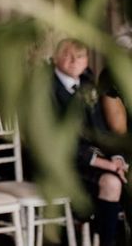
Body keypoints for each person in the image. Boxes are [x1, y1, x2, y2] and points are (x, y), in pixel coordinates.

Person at [51, 39, 126, 246]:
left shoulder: (88, 85)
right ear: (56, 57)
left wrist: (117, 158)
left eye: (80, 56)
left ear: (87, 61)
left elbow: (102, 131)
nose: (74, 60)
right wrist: (105, 164)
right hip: (58, 164)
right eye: (68, 55)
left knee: (121, 176)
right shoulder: (44, 91)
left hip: (86, 161)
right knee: (111, 182)